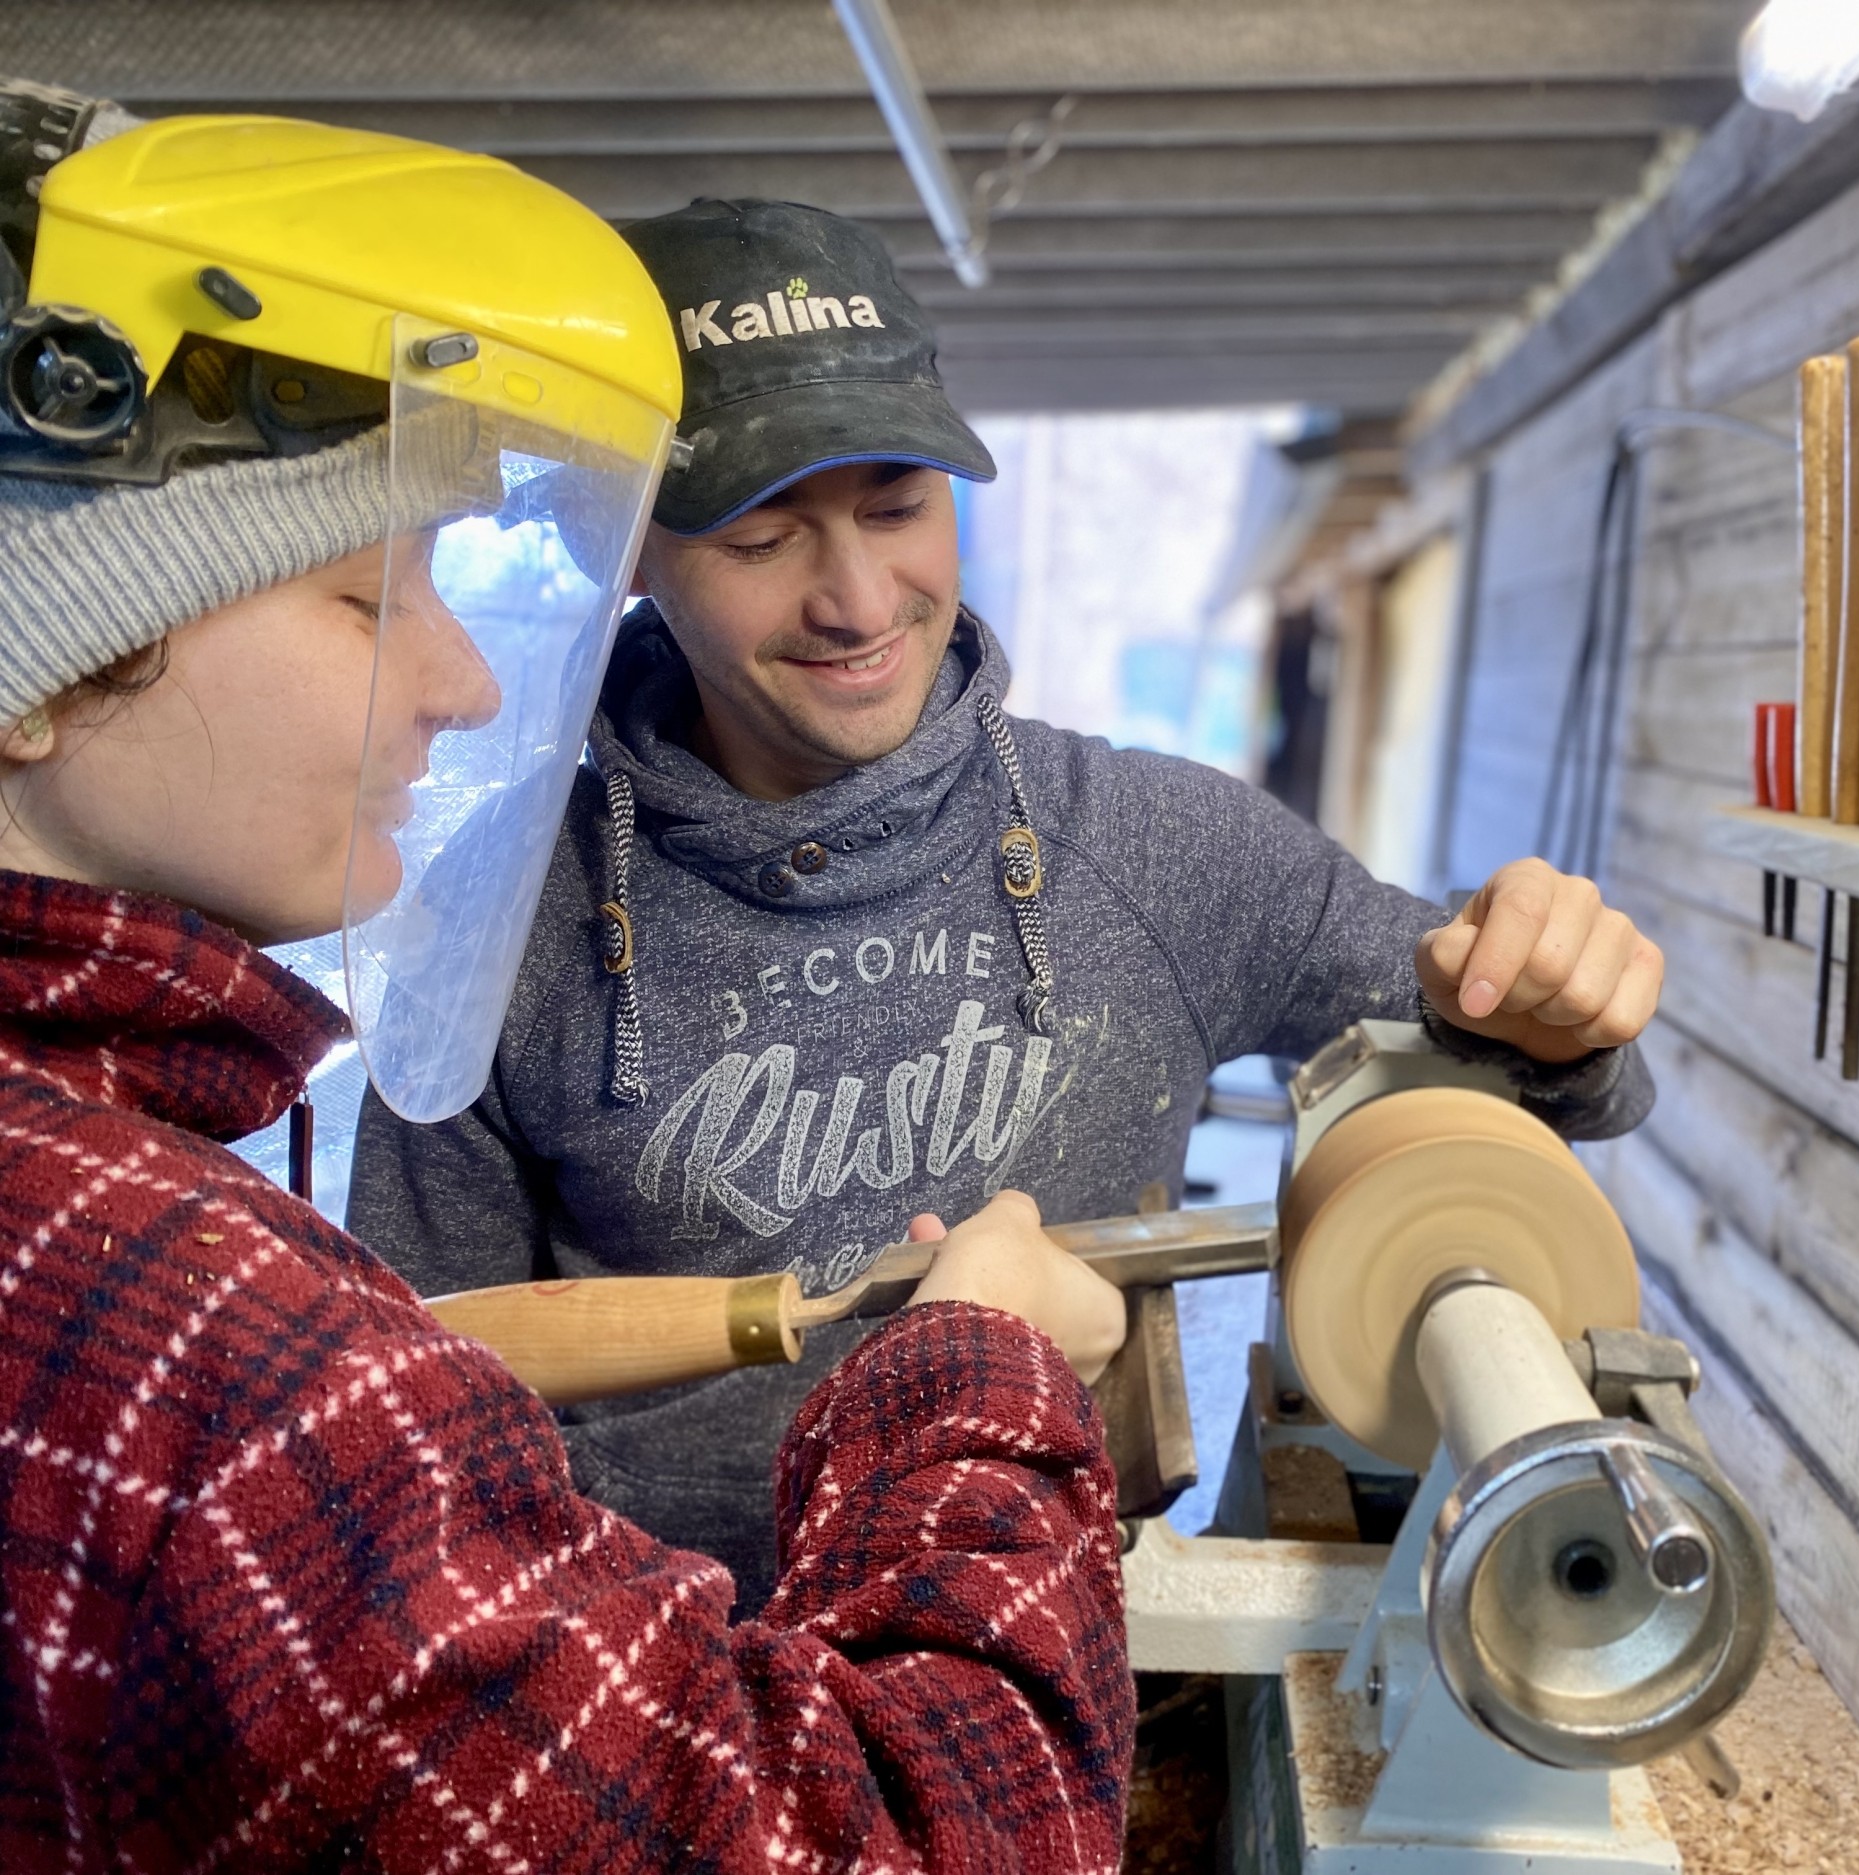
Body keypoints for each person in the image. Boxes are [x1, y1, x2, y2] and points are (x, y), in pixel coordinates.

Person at [0, 89, 1131, 1872]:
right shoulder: (221, 1349)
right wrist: (976, 1382)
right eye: (373, 601)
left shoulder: (117, 1216)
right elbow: (899, 1841)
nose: (459, 685)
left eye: (895, 505)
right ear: (42, 660)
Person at [348, 197, 1669, 1611]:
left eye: (898, 506)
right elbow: (417, 1407)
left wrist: (1557, 1000)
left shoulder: (1159, 846)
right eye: (760, 537)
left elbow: (1532, 1073)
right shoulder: (500, 924)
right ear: (631, 551)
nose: (858, 598)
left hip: (1068, 1662)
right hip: (682, 1695)